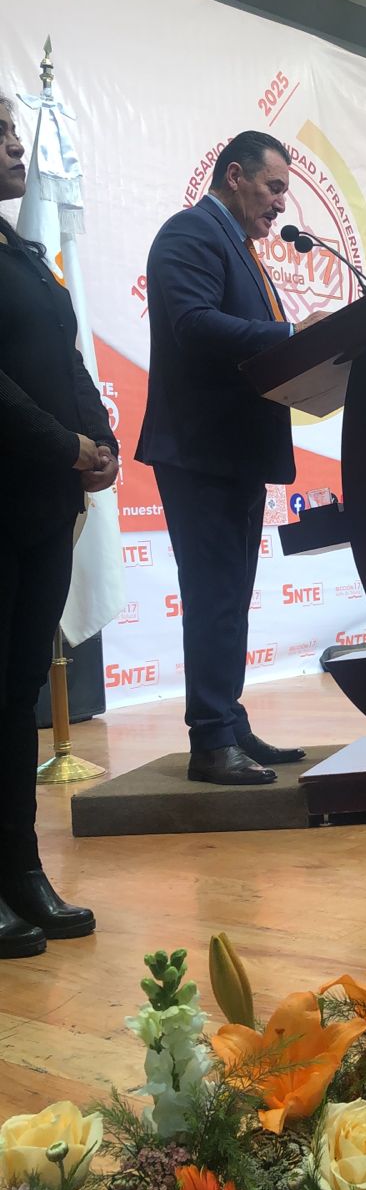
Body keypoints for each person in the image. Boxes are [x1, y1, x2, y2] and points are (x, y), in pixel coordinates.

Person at [136, 131, 310, 786]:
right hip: (201, 450)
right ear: (234, 175)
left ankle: (229, 724)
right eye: (273, 187)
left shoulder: (240, 247)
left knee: (230, 597)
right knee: (213, 595)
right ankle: (210, 740)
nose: (280, 204)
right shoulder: (190, 232)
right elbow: (193, 324)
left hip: (234, 451)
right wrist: (292, 334)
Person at [0, 93, 119, 958]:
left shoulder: (21, 252)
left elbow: (65, 357)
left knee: (16, 697)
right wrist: (62, 444)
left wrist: (99, 440)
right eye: (0, 132)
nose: (16, 146)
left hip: (41, 503)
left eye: (14, 129)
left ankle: (20, 872)